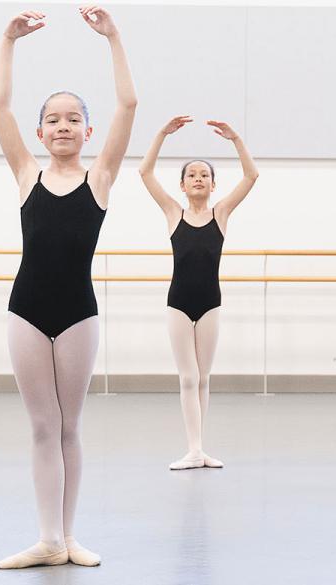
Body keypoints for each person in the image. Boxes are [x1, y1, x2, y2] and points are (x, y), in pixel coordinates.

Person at [0, 6, 137, 569]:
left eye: (73, 119)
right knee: (41, 425)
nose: (63, 127)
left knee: (70, 426)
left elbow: (128, 105)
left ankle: (68, 538)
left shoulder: (99, 180)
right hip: (26, 311)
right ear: (40, 131)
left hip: (78, 313)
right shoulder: (27, 175)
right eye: (53, 119)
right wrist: (8, 41)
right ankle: (46, 537)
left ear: (87, 130)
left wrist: (113, 38)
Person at [137, 115, 258, 471]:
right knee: (187, 377)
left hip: (210, 305)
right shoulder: (173, 213)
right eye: (192, 175)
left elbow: (251, 176)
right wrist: (160, 132)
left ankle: (199, 448)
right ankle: (192, 449)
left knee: (203, 378)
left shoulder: (221, 214)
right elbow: (145, 174)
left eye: (205, 174)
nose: (199, 179)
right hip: (178, 305)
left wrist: (236, 139)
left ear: (213, 184)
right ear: (182, 185)